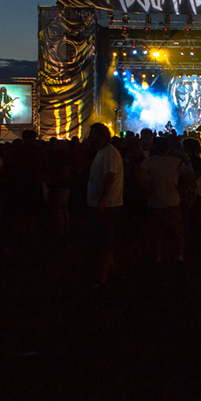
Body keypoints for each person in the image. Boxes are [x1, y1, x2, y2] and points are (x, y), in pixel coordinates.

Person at [86, 123, 124, 286]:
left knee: (104, 243)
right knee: (103, 241)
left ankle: (101, 280)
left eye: (92, 135)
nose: (90, 138)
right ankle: (113, 273)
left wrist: (102, 201)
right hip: (103, 204)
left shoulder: (109, 153)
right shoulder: (103, 152)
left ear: (101, 136)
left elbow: (110, 177)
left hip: (107, 206)